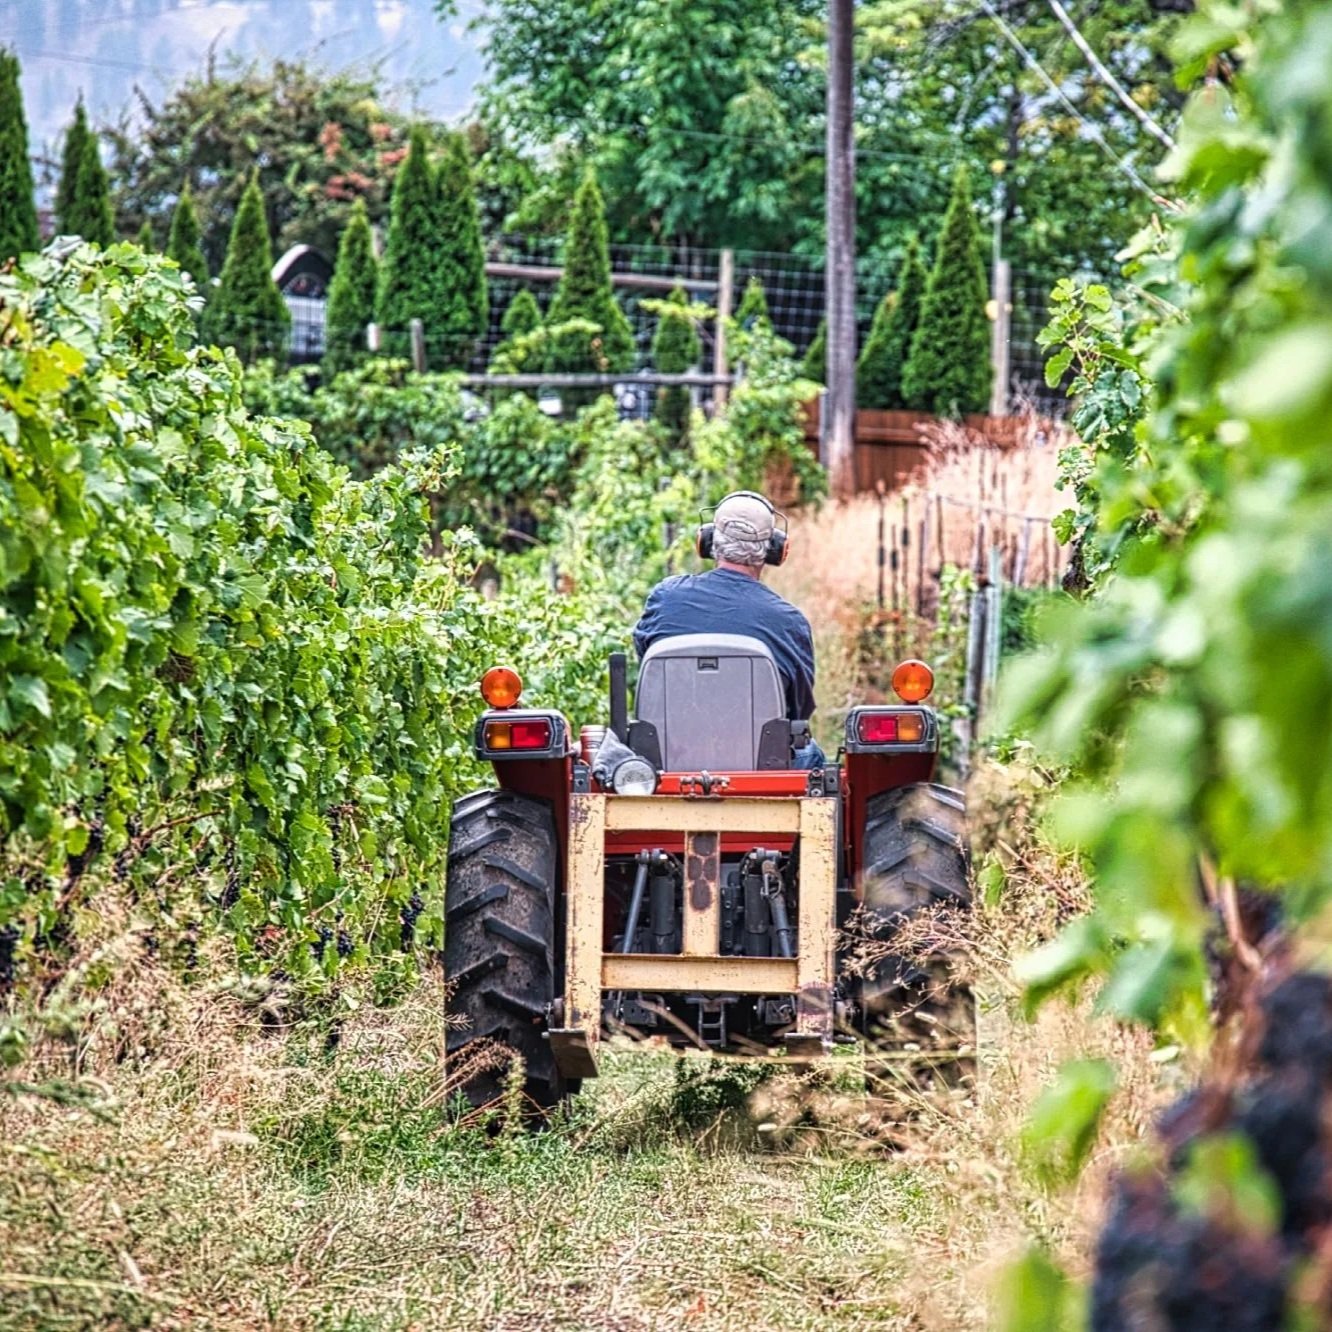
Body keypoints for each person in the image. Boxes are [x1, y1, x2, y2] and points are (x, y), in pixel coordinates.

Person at [632, 491, 827, 769]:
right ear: (775, 550)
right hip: (763, 767)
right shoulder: (790, 621)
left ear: (707, 541)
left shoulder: (665, 597)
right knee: (812, 754)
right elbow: (799, 712)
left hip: (667, 762)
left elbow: (647, 669)